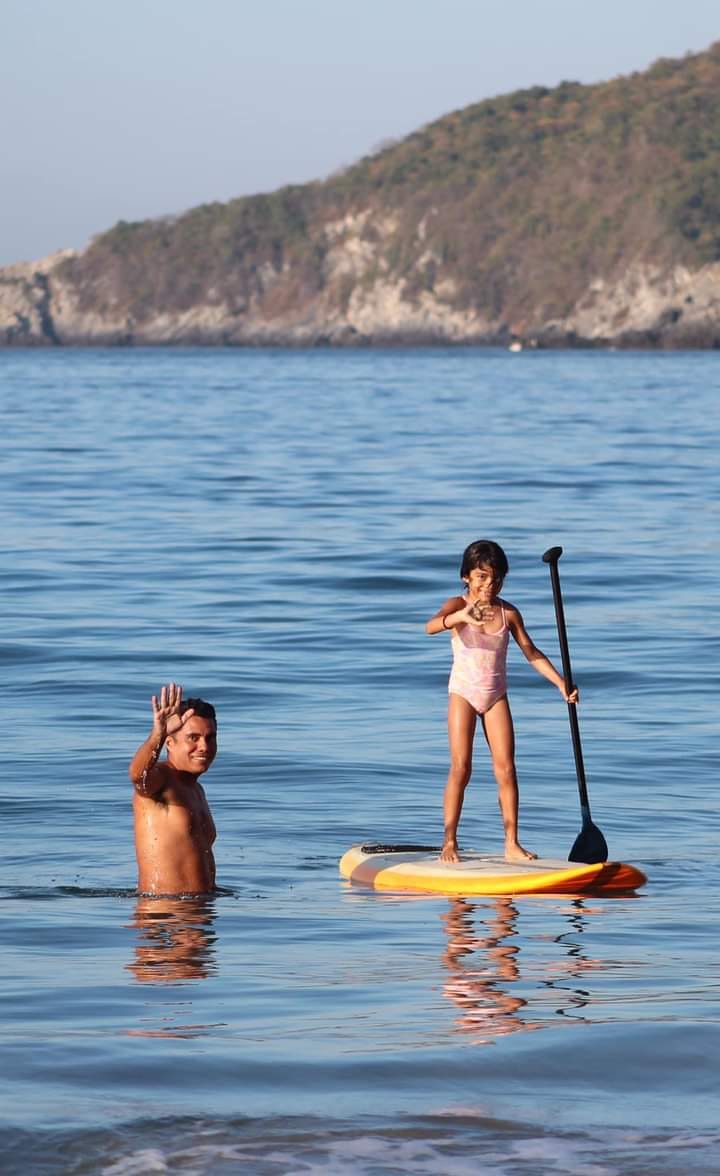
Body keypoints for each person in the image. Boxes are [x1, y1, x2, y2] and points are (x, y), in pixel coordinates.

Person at [426, 539, 577, 864]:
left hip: (496, 696)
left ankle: (512, 842)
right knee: (461, 768)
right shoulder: (456, 603)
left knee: (507, 769)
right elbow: (431, 627)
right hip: (463, 693)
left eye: (496, 579)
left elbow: (532, 653)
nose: (488, 585)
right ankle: (449, 841)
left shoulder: (508, 613)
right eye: (481, 577)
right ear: (467, 576)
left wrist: (561, 683)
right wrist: (461, 617)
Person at [129, 682, 218, 895]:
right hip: (163, 914)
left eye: (210, 738)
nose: (204, 746)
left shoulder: (196, 790)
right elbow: (138, 777)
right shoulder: (162, 780)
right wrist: (157, 735)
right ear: (169, 743)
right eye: (193, 738)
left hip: (199, 910)